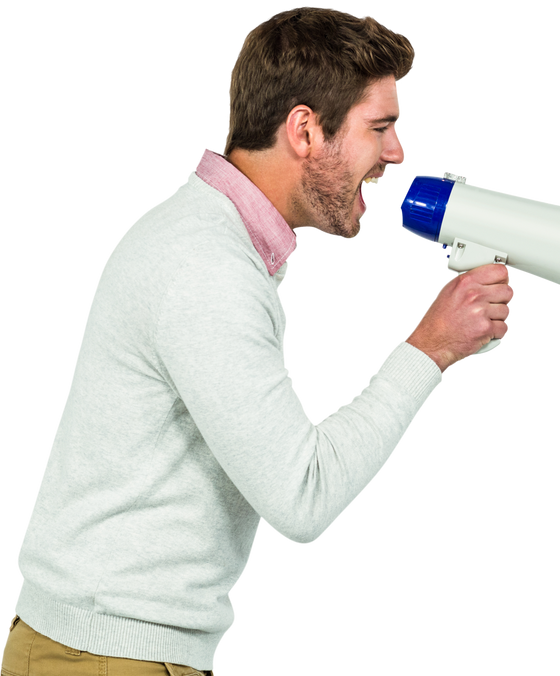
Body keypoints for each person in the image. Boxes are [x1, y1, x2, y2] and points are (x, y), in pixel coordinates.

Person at [2, 7, 514, 675]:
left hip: (103, 646)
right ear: (305, 129)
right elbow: (302, 500)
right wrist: (430, 348)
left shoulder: (214, 243)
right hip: (106, 655)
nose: (398, 154)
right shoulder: (206, 268)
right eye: (380, 128)